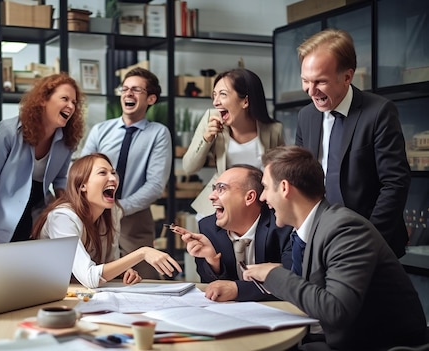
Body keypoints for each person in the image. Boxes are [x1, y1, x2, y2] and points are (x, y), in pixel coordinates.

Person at [243, 145, 426, 351]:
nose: (262, 198)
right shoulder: (308, 230)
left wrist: (274, 274)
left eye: (266, 187)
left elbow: (336, 310)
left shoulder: (345, 229)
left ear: (284, 188)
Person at [294, 28, 410, 258]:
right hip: (318, 240)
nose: (311, 91)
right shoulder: (306, 116)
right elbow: (299, 179)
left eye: (320, 81)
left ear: (347, 77)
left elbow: (395, 184)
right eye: (305, 81)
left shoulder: (379, 112)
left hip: (372, 241)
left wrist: (368, 241)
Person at [0, 73, 85, 279]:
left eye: (74, 102)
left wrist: (69, 210)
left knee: (25, 287)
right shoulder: (10, 130)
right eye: (64, 99)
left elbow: (59, 181)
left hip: (35, 218)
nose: (71, 106)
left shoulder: (68, 140)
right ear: (43, 99)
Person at [31, 153, 182, 288]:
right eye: (102, 173)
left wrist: (122, 271)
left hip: (74, 292)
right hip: (42, 294)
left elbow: (108, 262)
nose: (113, 178)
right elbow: (90, 278)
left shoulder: (112, 212)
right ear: (82, 185)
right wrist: (142, 253)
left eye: (113, 173)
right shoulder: (63, 218)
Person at [80, 68, 172, 279]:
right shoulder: (101, 130)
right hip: (94, 216)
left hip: (134, 217)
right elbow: (83, 172)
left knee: (142, 280)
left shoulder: (158, 133)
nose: (128, 94)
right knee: (95, 277)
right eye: (125, 88)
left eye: (136, 90)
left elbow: (155, 184)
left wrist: (119, 209)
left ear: (151, 98)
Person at [171, 164, 291, 302]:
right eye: (214, 189)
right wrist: (213, 262)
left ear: (249, 197)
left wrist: (237, 289)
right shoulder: (208, 228)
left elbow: (291, 281)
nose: (211, 196)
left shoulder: (282, 226)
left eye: (221, 189)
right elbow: (212, 289)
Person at [182, 68, 284, 219]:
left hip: (259, 205)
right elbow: (188, 168)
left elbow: (281, 174)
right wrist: (206, 139)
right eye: (214, 95)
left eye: (223, 94)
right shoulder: (211, 118)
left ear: (245, 101)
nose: (216, 102)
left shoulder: (274, 130)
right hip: (219, 204)